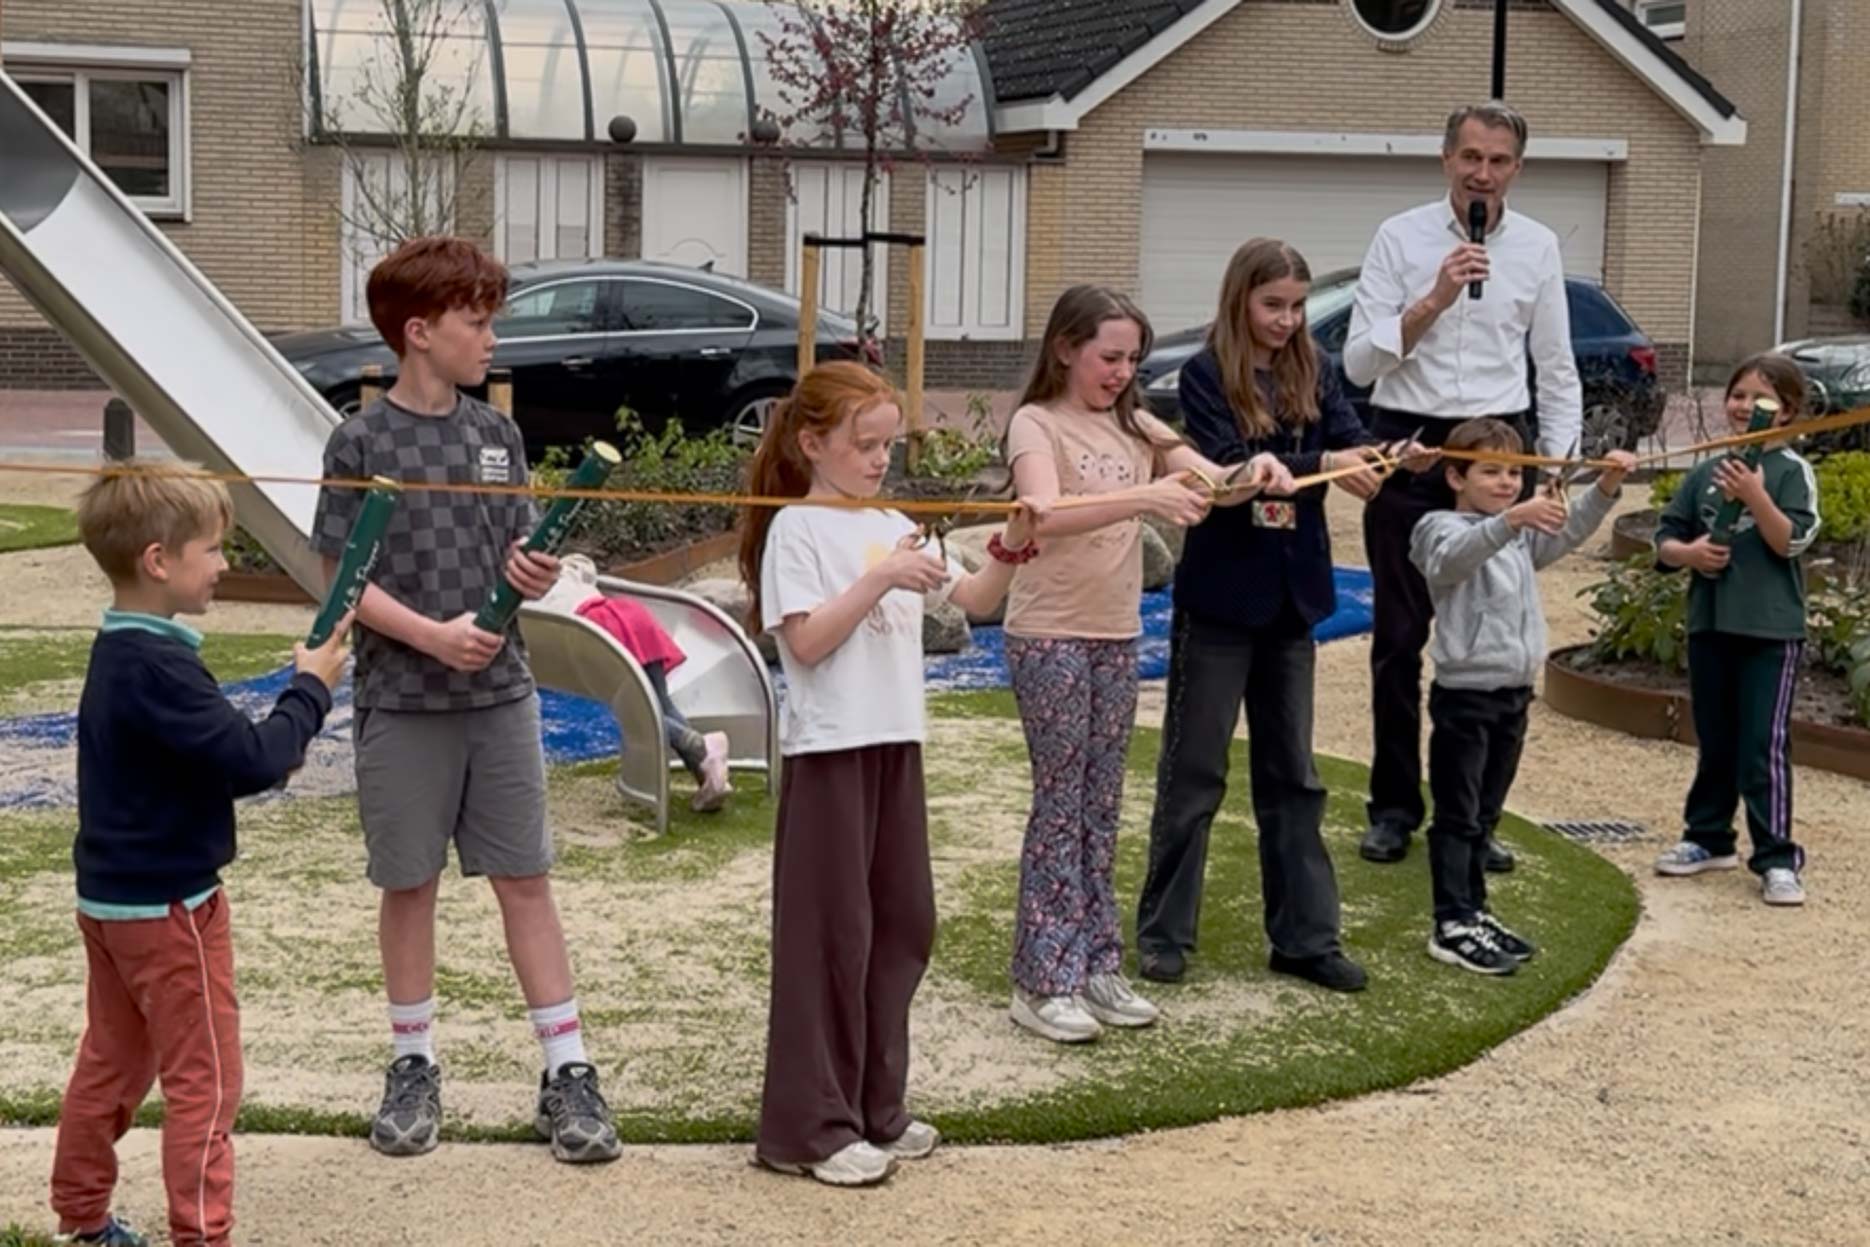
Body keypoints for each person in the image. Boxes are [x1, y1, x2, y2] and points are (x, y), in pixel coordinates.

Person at [311, 236, 620, 1165]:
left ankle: (566, 1070)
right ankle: (413, 1063)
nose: (491, 338)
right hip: (403, 699)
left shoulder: (499, 436)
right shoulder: (359, 441)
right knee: (410, 883)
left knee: (525, 877)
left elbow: (517, 548)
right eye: (476, 322)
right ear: (419, 332)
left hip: (502, 693)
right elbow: (341, 582)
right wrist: (433, 635)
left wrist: (530, 570)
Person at [738, 361, 1040, 1186]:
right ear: (813, 443)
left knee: (902, 923)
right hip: (830, 749)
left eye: (887, 444)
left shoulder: (892, 520)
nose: (879, 459)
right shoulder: (796, 529)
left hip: (894, 743)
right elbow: (802, 642)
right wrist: (878, 578)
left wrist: (1013, 542)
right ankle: (806, 1126)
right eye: (864, 444)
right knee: (830, 938)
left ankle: (877, 1105)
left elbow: (973, 597)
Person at [50, 463, 348, 1247]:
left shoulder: (123, 652)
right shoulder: (160, 666)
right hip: (172, 909)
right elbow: (253, 759)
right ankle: (202, 1235)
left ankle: (81, 1217)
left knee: (112, 1062)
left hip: (111, 902)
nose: (223, 564)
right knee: (206, 1084)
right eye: (213, 550)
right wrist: (310, 688)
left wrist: (280, 720)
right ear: (159, 560)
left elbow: (218, 749)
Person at [1003, 284, 1291, 1045]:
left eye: (1132, 358)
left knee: (1101, 804)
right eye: (1108, 356)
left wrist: (1257, 468)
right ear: (1066, 348)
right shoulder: (1037, 422)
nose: (1122, 372)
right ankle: (1041, 979)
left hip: (1115, 633)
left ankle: (1096, 963)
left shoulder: (1137, 421)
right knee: (1060, 804)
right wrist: (1145, 496)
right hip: (1050, 634)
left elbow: (1211, 484)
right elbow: (1046, 511)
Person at [1136, 239, 1396, 993]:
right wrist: (1283, 471)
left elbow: (1350, 445)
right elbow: (1219, 467)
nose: (1286, 320)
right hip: (1220, 599)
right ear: (1240, 299)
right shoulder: (1204, 372)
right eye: (1272, 305)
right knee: (1195, 773)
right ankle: (1162, 934)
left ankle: (1306, 937)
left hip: (1294, 601)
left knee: (1295, 777)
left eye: (1296, 306)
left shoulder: (1313, 365)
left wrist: (1384, 459)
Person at [1344, 100, 1583, 873]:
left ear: (1517, 168)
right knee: (1399, 640)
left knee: (1491, 638)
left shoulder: (1539, 246)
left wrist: (1559, 465)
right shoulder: (1399, 237)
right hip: (1411, 443)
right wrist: (1435, 298)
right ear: (1446, 158)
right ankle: (1392, 807)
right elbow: (1357, 365)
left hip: (1499, 446)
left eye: (1500, 160)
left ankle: (1475, 817)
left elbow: (1555, 364)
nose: (1483, 173)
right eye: (1471, 157)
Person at [1410, 420, 1632, 974]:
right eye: (1491, 471)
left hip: (1513, 693)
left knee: (1485, 815)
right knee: (1457, 815)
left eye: (1515, 472)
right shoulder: (1436, 526)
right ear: (1456, 475)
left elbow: (1564, 533)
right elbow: (1452, 559)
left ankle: (1475, 909)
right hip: (1465, 697)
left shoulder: (1516, 534)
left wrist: (1604, 487)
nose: (1508, 482)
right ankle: (1451, 922)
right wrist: (1513, 519)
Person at [1652, 354, 1820, 906]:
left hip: (1770, 631)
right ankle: (1707, 837)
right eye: (1738, 395)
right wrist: (1691, 553)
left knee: (1761, 744)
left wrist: (1755, 496)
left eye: (1759, 399)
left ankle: (1776, 857)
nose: (1744, 407)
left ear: (1787, 411)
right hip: (1711, 623)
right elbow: (1667, 539)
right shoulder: (1705, 470)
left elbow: (1789, 541)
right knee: (1716, 737)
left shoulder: (1792, 471)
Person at [538, 554, 732, 812]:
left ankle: (700, 746)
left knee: (637, 709)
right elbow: (585, 565)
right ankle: (708, 776)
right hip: (628, 614)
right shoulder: (567, 573)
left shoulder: (526, 595)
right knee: (661, 702)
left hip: (597, 629)